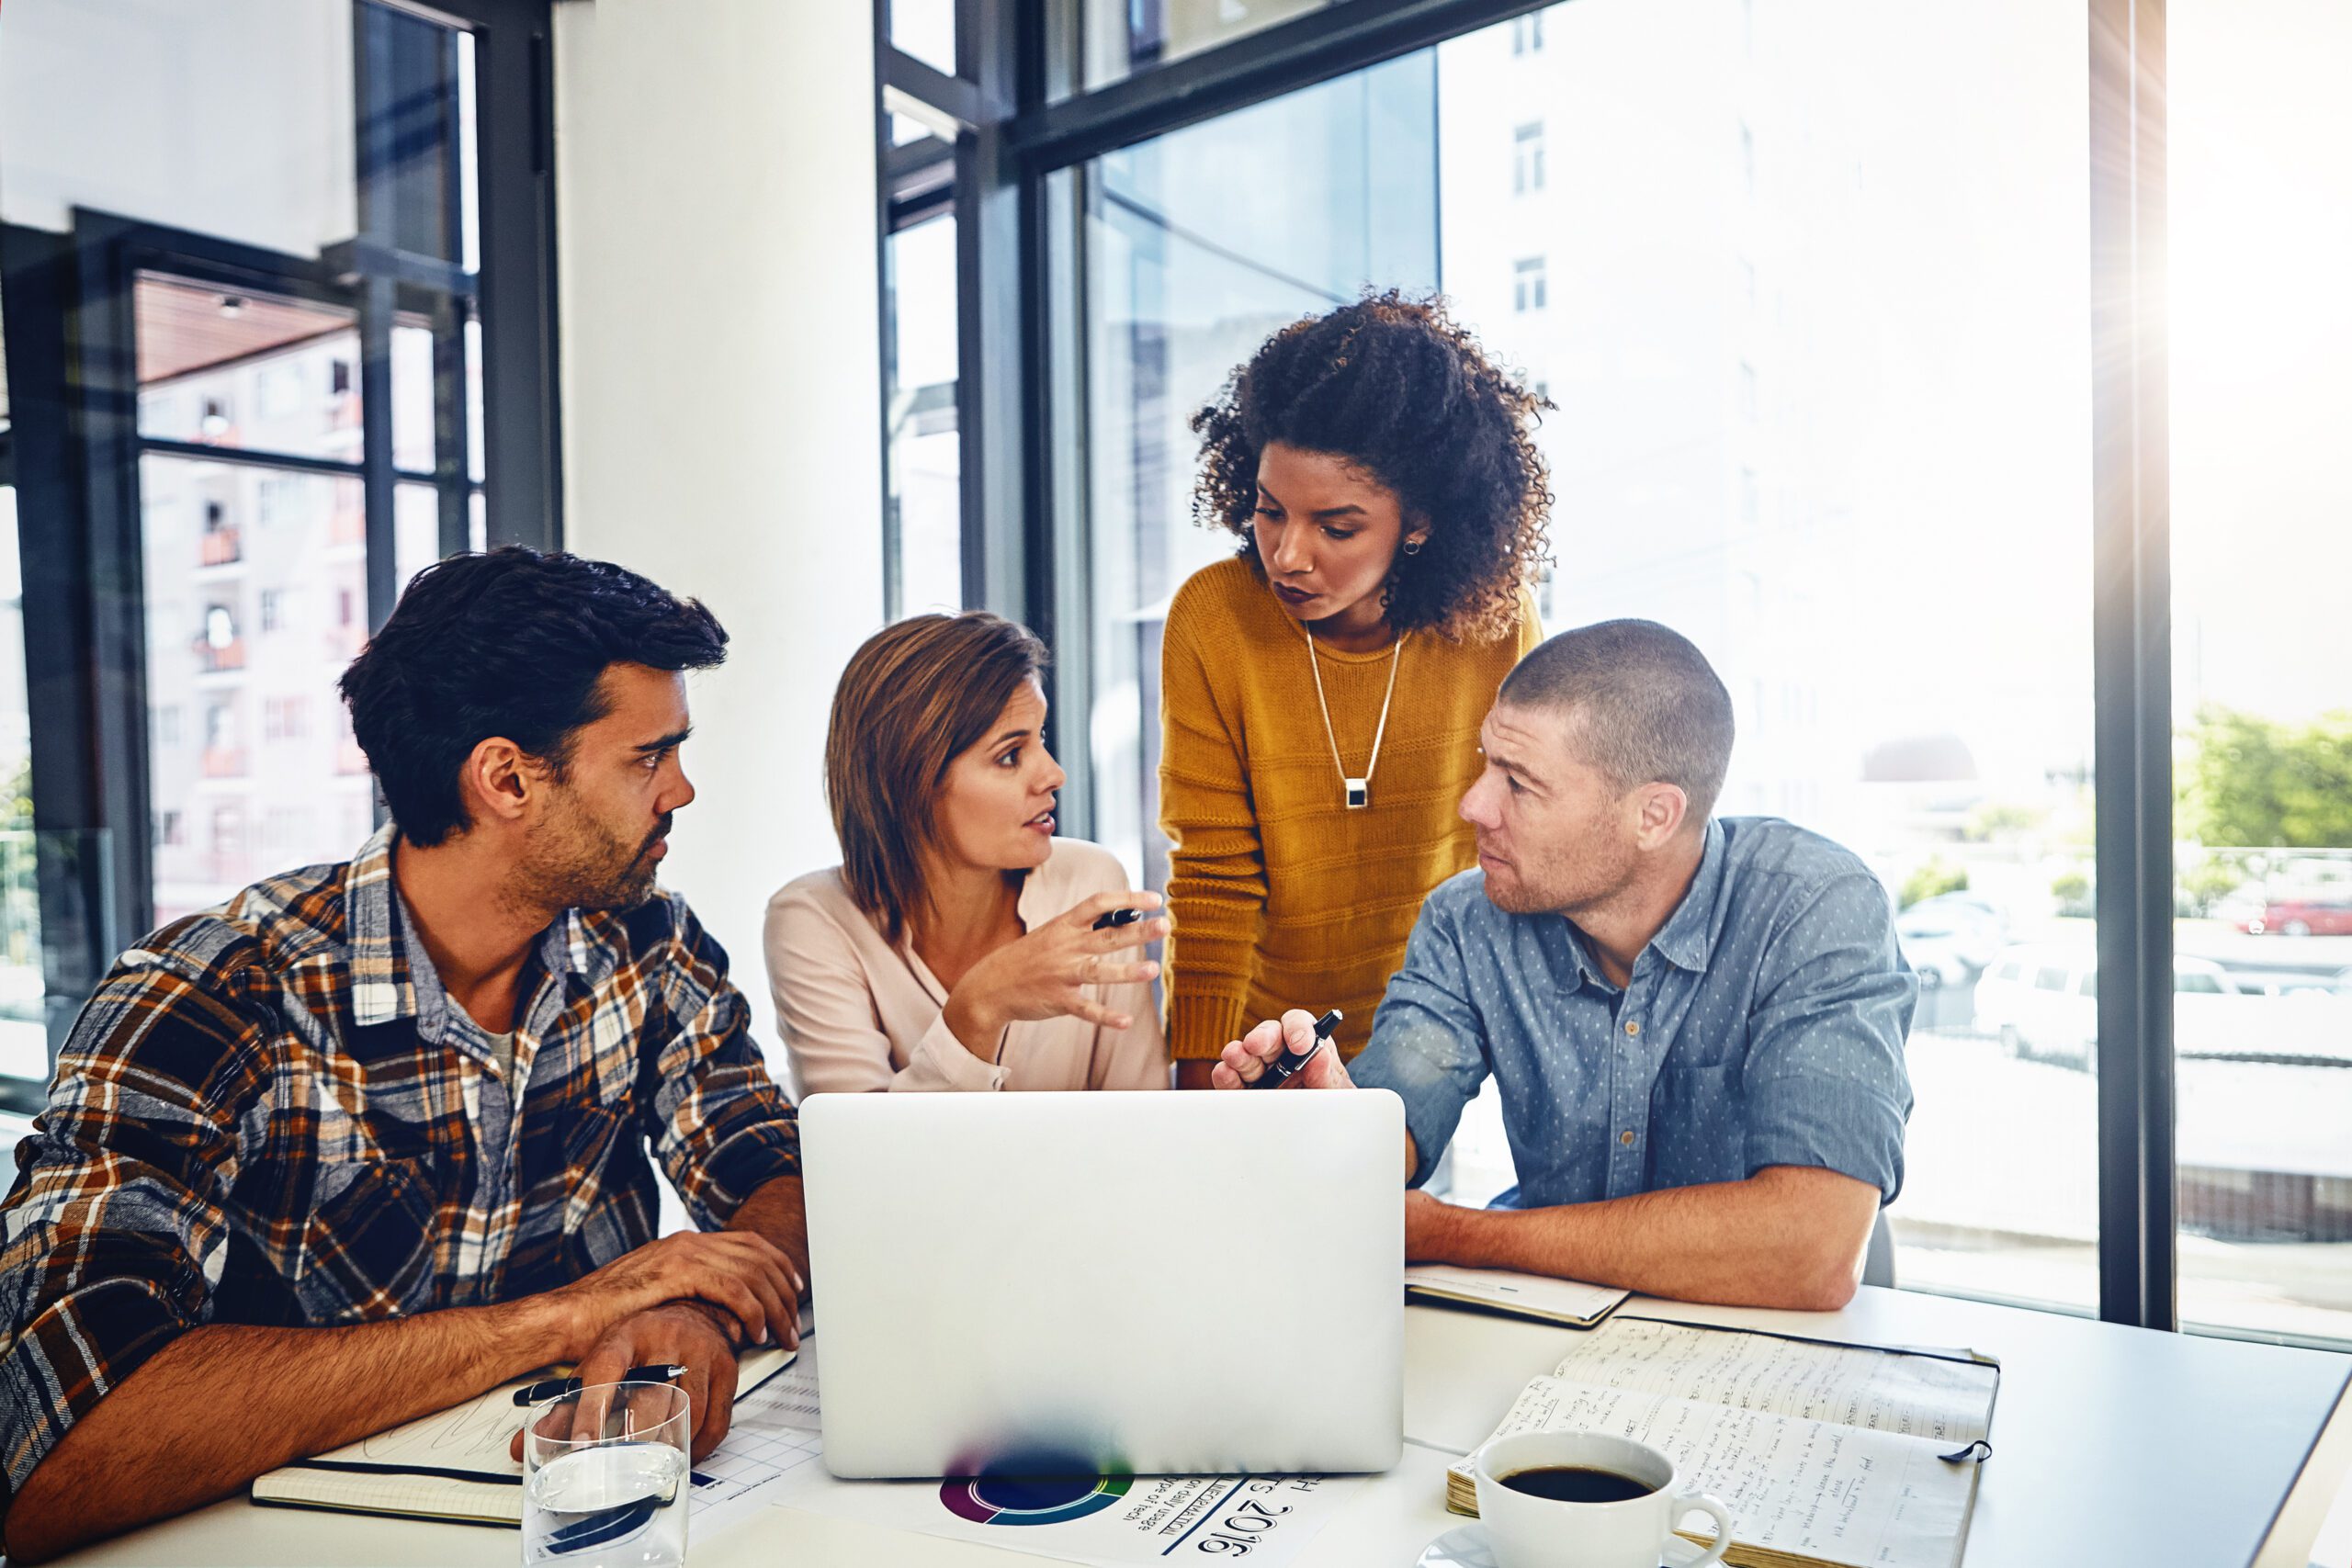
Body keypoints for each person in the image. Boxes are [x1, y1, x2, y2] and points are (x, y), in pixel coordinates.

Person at [0, 549, 807, 1560]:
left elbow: (772, 1167)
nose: (681, 790)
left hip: (589, 1529)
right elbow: (55, 1449)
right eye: (649, 757)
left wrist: (696, 1305)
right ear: (506, 777)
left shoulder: (646, 943)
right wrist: (563, 1318)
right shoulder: (213, 995)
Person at [1212, 620, 1916, 1312]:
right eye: (1487, 761)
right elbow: (1391, 1120)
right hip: (1551, 1347)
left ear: (1654, 815)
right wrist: (1330, 1117)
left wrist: (1456, 1233)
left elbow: (1811, 1249)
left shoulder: (1816, 908)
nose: (1473, 804)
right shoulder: (1469, 919)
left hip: (1765, 1355)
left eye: (1518, 783)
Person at [1160, 291, 1549, 1085]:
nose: (1288, 555)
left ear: (1420, 521)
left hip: (1431, 1025)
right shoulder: (1214, 619)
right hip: (1255, 1042)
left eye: (1336, 527)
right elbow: (1213, 880)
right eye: (1270, 512)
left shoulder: (1497, 625)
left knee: (1389, 1210)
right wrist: (1201, 1093)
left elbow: (1524, 840)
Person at [767, 613, 1168, 1093]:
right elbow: (861, 1159)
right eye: (1008, 755)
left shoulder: (1091, 882)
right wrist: (979, 1007)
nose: (1053, 774)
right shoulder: (814, 919)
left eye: (1039, 739)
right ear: (910, 780)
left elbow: (1140, 1117)